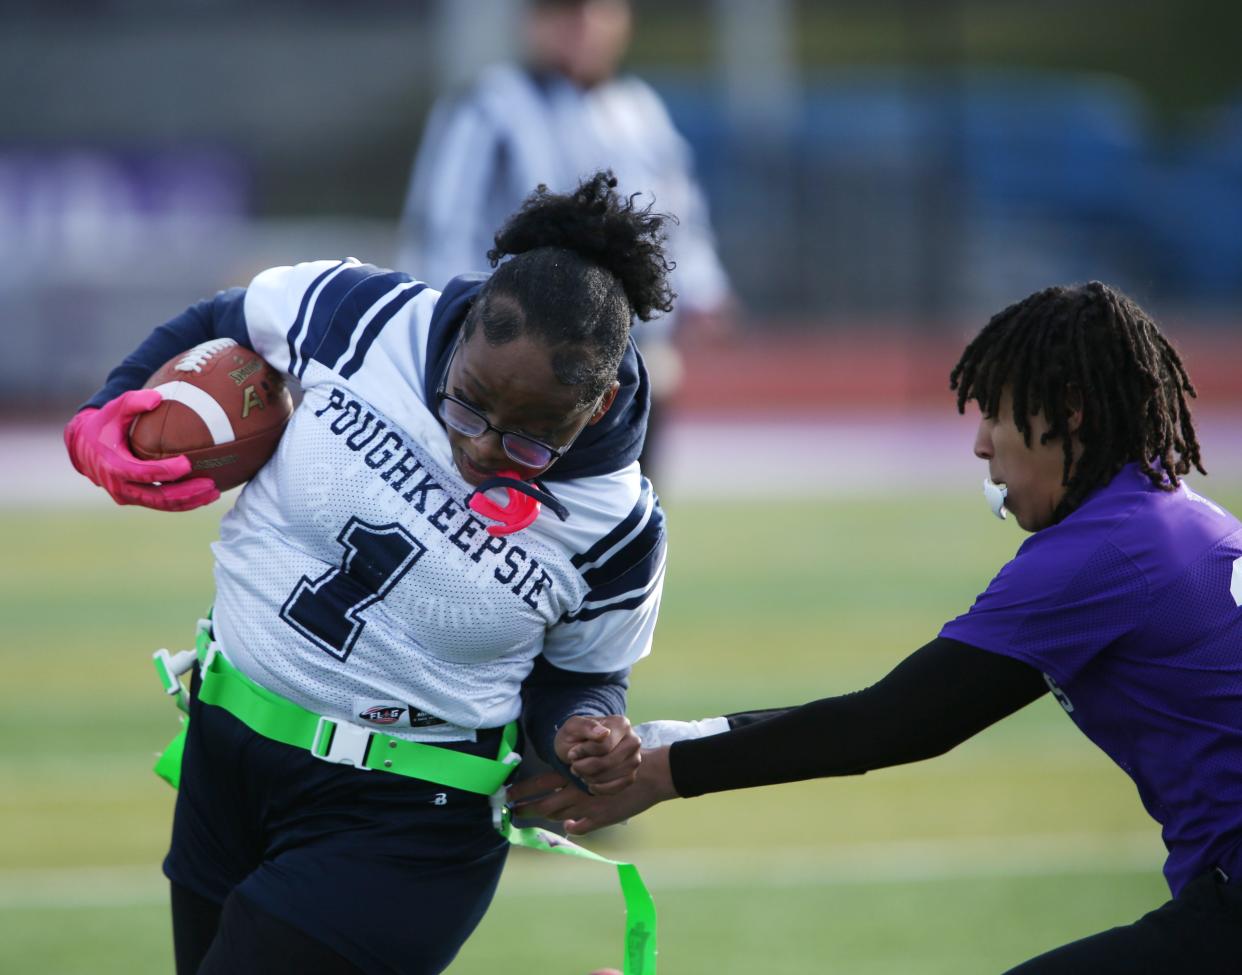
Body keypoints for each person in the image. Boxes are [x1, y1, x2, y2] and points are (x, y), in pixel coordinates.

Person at [512, 281, 1242, 974]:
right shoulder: (1179, 522)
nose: (982, 444)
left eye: (997, 412)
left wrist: (659, 770)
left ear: (1073, 409)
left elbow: (890, 724)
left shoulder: (1102, 551)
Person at [64, 171, 673, 975]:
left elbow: (585, 678)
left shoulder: (618, 523)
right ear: (460, 335)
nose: (485, 445)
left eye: (533, 436)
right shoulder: (362, 314)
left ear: (593, 410)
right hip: (229, 750)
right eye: (469, 401)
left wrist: (582, 733)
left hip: (404, 818)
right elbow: (226, 315)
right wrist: (108, 409)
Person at [397, 0, 734, 474]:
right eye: (565, 13)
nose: (583, 27)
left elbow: (678, 215)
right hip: (517, 349)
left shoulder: (640, 109)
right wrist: (446, 319)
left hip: (628, 346)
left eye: (597, 12)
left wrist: (701, 287)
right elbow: (444, 222)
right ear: (533, 23)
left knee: (622, 502)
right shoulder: (491, 106)